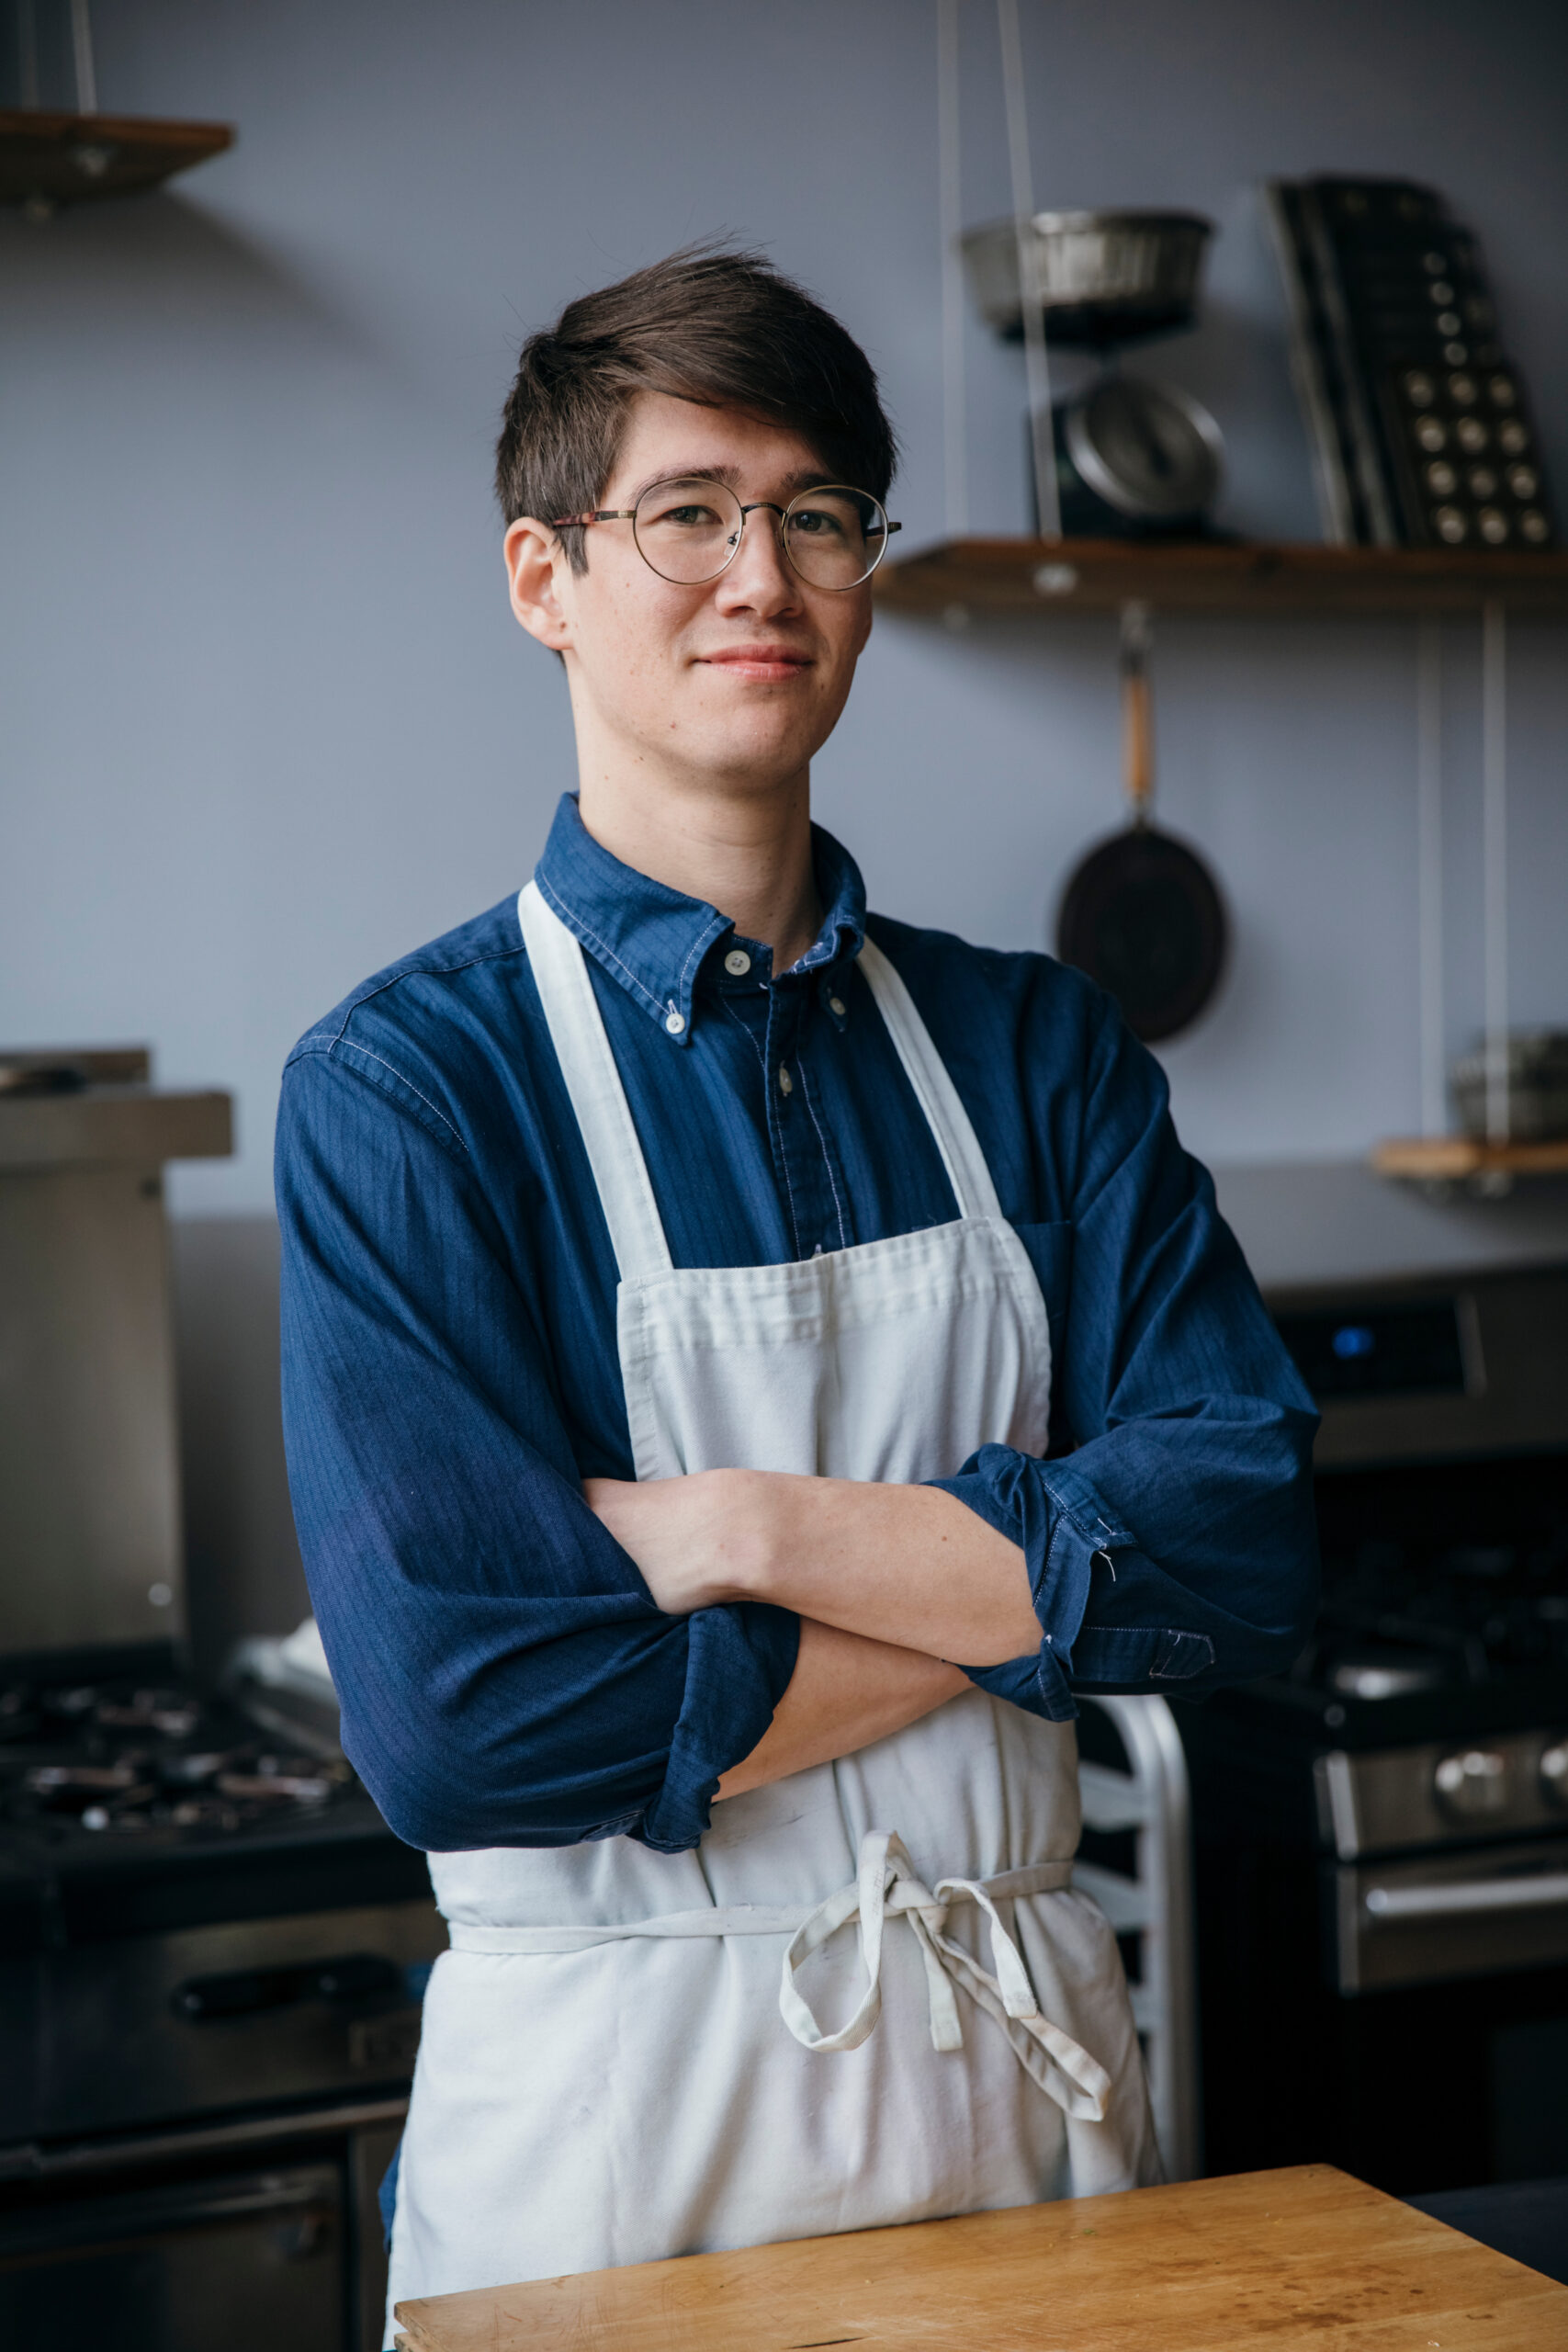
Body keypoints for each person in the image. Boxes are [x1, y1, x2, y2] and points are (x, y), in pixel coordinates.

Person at [276, 247, 1318, 2338]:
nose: (759, 569)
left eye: (816, 512)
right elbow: (468, 1723)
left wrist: (742, 1531)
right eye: (686, 512)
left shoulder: (1042, 1050)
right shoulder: (407, 1091)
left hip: (1024, 2115)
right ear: (542, 576)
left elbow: (1247, 1548)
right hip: (615, 2154)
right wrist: (1027, 1595)